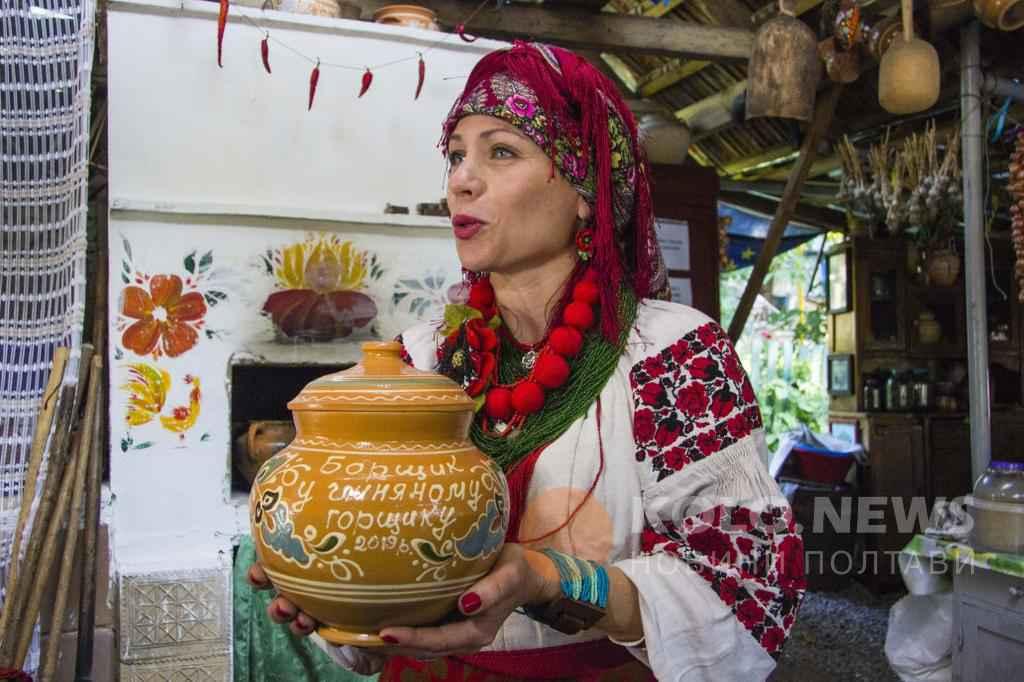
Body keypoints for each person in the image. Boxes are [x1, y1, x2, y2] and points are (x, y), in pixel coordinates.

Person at [247, 41, 805, 682]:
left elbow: (752, 589)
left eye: (501, 151)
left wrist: (548, 578)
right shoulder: (419, 359)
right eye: (456, 155)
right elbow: (376, 600)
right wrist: (341, 607)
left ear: (584, 194)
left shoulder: (672, 359)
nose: (461, 178)